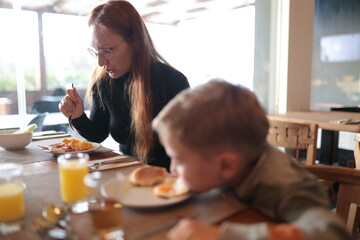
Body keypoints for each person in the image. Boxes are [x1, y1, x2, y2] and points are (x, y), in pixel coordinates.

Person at [152, 79, 351, 240]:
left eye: (178, 160)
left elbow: (333, 233)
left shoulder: (281, 183)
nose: (173, 170)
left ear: (227, 165)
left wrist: (221, 236)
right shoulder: (236, 163)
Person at [59, 0, 189, 170]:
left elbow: (190, 146)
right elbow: (98, 134)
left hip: (168, 178)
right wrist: (77, 116)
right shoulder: (103, 82)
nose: (100, 62)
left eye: (107, 50)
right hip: (124, 171)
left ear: (135, 42)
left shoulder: (173, 81)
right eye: (96, 51)